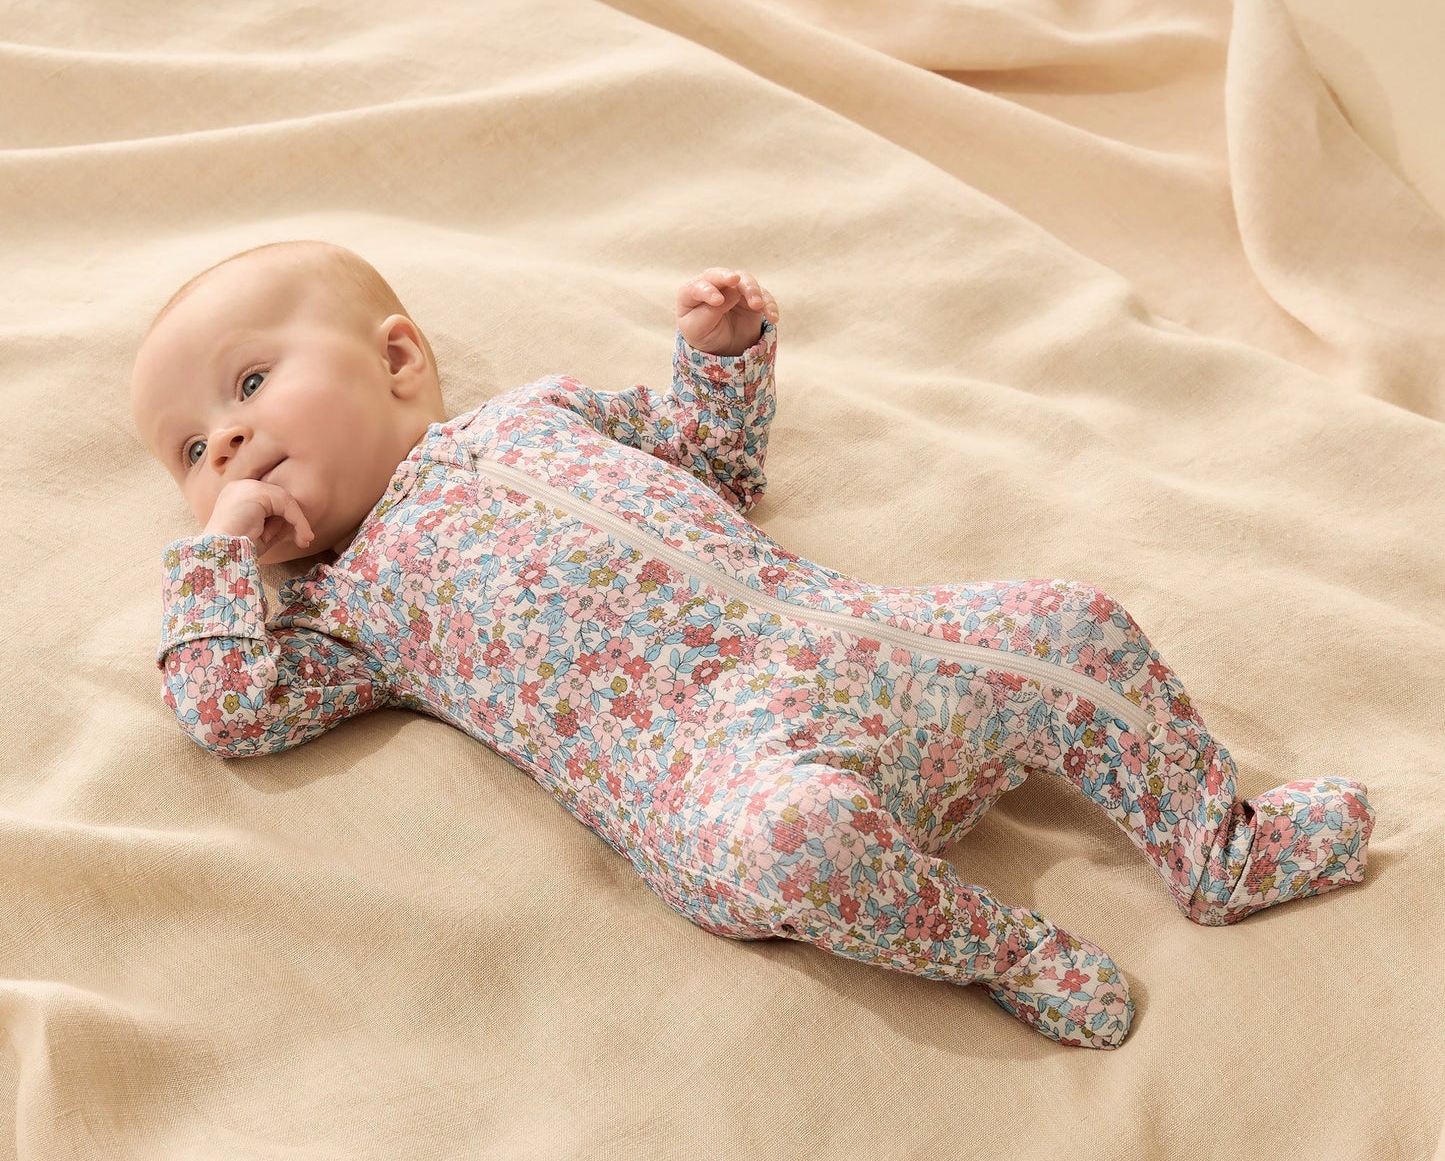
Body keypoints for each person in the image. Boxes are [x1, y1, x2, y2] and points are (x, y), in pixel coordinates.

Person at [130, 239, 1376, 1051]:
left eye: (246, 387)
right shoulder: (349, 604)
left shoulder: (545, 410)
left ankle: (1219, 847)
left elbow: (719, 470)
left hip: (855, 645)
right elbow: (229, 706)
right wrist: (222, 556)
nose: (225, 446)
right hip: (725, 775)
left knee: (1072, 624)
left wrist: (718, 363)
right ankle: (1008, 946)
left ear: (397, 359)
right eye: (190, 451)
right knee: (801, 842)